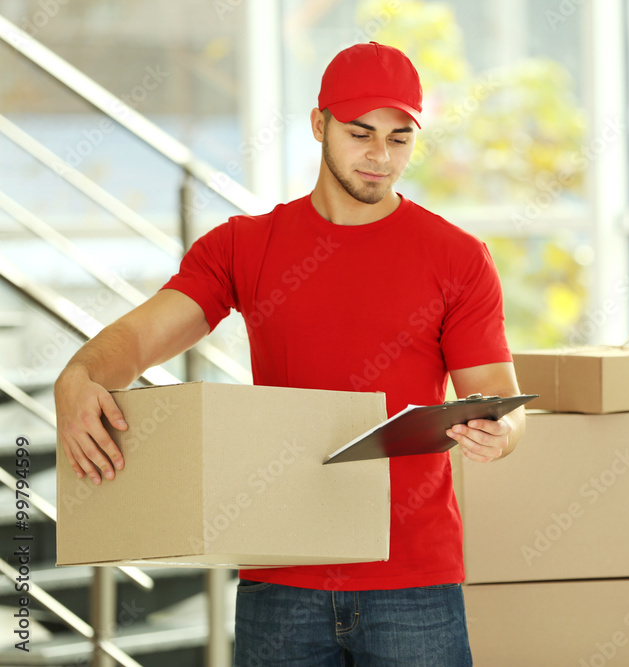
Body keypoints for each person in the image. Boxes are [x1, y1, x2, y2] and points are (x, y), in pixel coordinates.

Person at [54, 41, 524, 666]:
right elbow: (141, 339)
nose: (380, 157)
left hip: (413, 579)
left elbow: (496, 394)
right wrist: (78, 376)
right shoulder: (245, 247)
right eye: (361, 134)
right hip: (282, 576)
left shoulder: (458, 257)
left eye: (400, 138)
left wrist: (504, 431)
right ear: (319, 124)